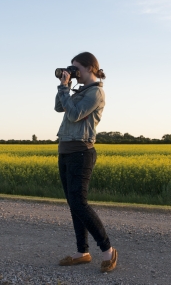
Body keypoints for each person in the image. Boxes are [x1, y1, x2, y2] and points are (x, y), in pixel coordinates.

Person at [54, 51, 117, 273]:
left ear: (90, 68)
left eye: (76, 68)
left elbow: (74, 115)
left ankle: (108, 250)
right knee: (74, 204)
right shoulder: (78, 90)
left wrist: (65, 89)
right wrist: (64, 85)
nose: (74, 72)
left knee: (79, 202)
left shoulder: (96, 93)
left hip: (81, 152)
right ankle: (82, 252)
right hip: (65, 151)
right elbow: (59, 108)